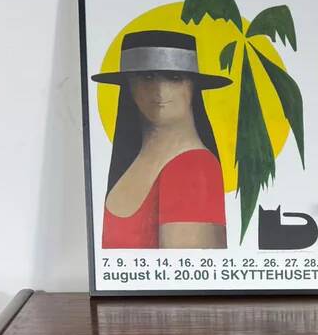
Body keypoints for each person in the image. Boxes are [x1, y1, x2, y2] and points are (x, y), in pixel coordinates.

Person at [92, 30, 231, 249]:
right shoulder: (135, 159)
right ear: (129, 85)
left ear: (193, 86)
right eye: (147, 77)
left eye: (175, 78)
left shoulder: (192, 167)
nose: (159, 90)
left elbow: (184, 277)